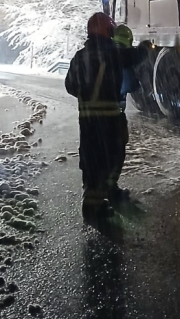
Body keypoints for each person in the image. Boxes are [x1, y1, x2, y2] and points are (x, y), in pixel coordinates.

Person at [65, 12, 130, 220]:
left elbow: (70, 86)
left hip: (87, 121)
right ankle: (94, 208)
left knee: (92, 160)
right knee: (111, 157)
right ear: (106, 30)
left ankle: (99, 198)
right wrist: (145, 48)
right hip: (110, 119)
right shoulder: (112, 53)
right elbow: (135, 59)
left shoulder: (80, 56)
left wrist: (88, 96)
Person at [109, 24, 141, 202]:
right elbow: (130, 85)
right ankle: (111, 190)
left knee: (96, 154)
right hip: (114, 115)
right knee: (116, 151)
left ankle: (94, 196)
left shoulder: (102, 54)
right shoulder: (122, 57)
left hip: (90, 117)